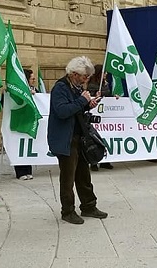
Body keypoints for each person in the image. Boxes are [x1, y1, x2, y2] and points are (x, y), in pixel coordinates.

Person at [48, 56, 107, 224]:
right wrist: (83, 100)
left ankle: (89, 206)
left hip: (78, 137)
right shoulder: (60, 88)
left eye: (87, 77)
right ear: (74, 74)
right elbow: (62, 111)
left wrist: (88, 104)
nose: (86, 80)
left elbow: (76, 108)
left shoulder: (76, 87)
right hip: (65, 139)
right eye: (84, 76)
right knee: (68, 177)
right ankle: (67, 211)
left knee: (83, 174)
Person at [86, 64, 114, 171]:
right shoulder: (92, 85)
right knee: (95, 138)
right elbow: (90, 98)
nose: (106, 74)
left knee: (106, 137)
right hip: (96, 114)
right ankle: (94, 162)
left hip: (106, 115)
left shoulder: (105, 84)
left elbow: (108, 96)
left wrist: (114, 97)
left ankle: (105, 161)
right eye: (105, 72)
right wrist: (96, 96)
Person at [14, 69, 38, 180]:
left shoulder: (35, 89)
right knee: (19, 146)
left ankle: (28, 170)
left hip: (29, 122)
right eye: (32, 79)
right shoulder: (16, 90)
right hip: (18, 122)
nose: (34, 81)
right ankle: (20, 172)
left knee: (28, 147)